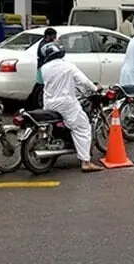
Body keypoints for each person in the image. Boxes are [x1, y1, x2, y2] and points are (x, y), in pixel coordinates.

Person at [38, 41, 103, 172]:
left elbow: (43, 84)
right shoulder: (68, 66)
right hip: (66, 103)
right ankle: (86, 162)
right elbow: (83, 81)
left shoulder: (43, 69)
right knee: (83, 127)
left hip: (49, 103)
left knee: (50, 125)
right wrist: (95, 88)